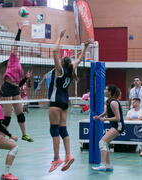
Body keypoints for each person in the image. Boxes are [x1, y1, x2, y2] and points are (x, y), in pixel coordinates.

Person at [48, 29, 89, 173]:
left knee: (53, 130)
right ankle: (68, 155)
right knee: (62, 129)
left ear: (62, 63)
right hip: (65, 103)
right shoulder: (71, 70)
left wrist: (59, 37)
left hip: (55, 103)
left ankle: (56, 158)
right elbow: (81, 58)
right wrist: (85, 47)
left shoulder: (60, 71)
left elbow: (54, 52)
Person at [0, 22, 34, 142]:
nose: (18, 53)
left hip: (15, 89)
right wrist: (19, 30)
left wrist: (26, 78)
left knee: (20, 113)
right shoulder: (12, 59)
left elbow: (19, 84)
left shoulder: (20, 68)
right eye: (17, 52)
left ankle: (24, 134)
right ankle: (1, 136)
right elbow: (16, 44)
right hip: (7, 88)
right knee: (7, 116)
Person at [92, 84, 125, 171]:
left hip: (118, 126)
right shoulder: (109, 101)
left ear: (109, 92)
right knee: (105, 143)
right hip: (115, 125)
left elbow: (118, 118)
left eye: (106, 89)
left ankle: (102, 165)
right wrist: (98, 117)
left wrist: (105, 119)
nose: (104, 91)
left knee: (102, 142)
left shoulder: (114, 102)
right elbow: (107, 111)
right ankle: (109, 165)